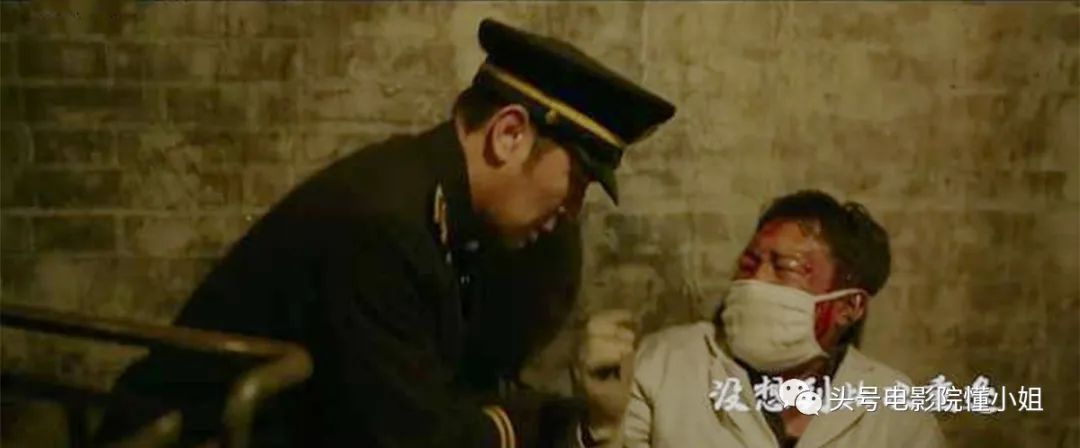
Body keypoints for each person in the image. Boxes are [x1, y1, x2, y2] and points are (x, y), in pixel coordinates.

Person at [96, 18, 675, 448]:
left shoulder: (445, 210)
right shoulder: (384, 226)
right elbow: (419, 438)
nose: (571, 210)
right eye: (576, 181)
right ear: (509, 135)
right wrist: (563, 423)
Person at [582, 190, 947, 447]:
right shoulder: (665, 365)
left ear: (849, 307)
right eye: (749, 263)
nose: (757, 279)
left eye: (786, 267)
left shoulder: (897, 413)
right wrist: (601, 429)